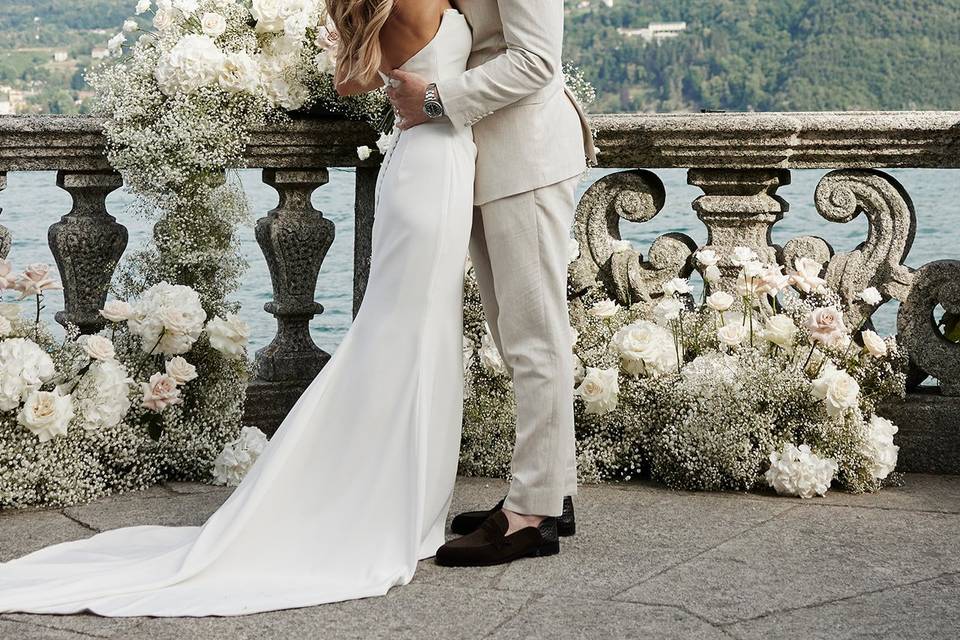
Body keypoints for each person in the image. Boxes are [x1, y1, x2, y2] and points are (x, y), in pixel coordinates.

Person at [0, 0, 483, 616]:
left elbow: (352, 81)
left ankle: (386, 496)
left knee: (398, 338)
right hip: (436, 165)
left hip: (416, 166)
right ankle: (395, 505)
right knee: (412, 341)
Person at [386, 0, 596, 567]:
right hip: (487, 154)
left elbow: (535, 60)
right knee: (515, 335)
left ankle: (531, 514)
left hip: (526, 154)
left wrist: (434, 100)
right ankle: (553, 492)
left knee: (535, 338)